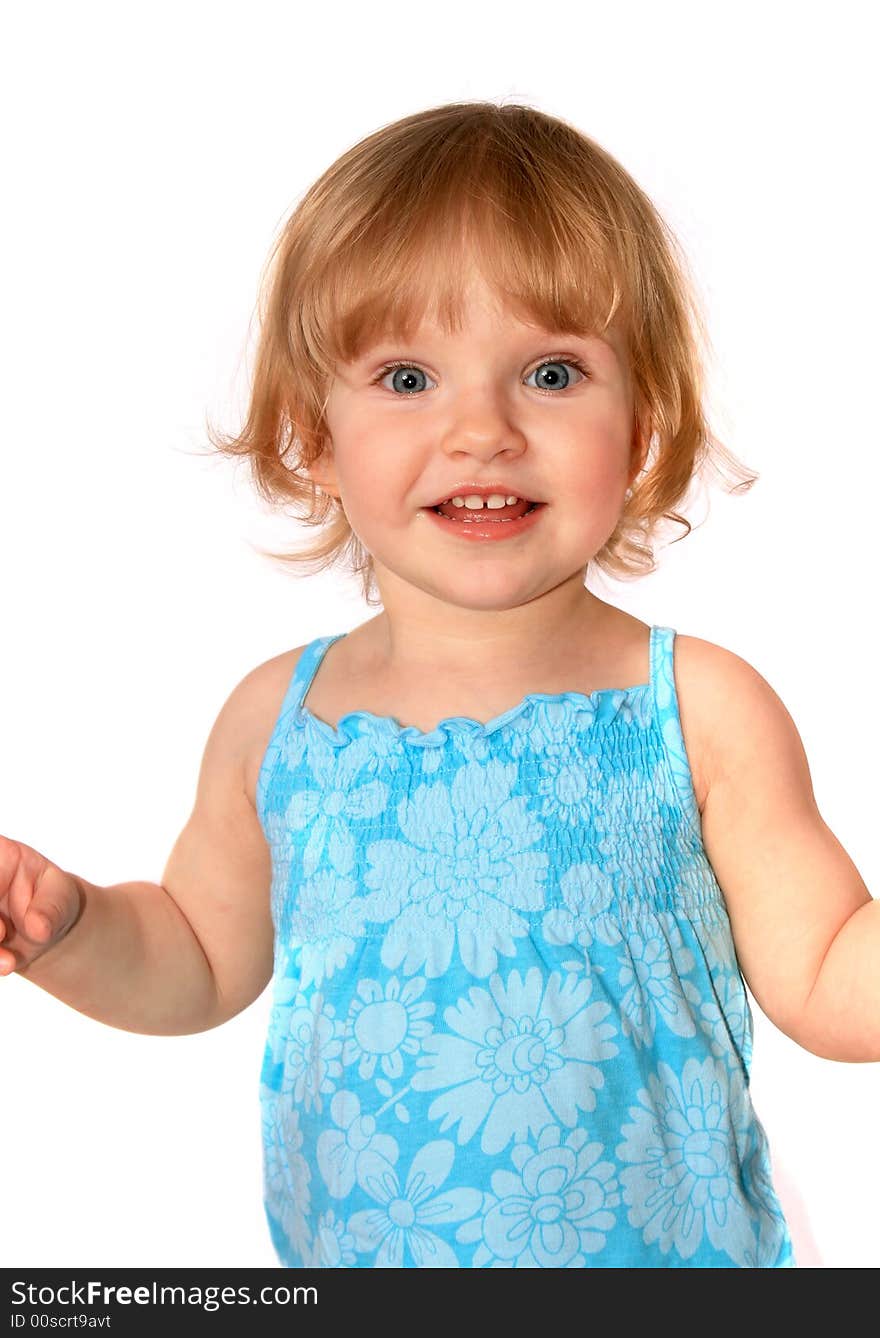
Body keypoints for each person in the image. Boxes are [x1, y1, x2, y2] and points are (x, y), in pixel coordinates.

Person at [1, 100, 876, 1270]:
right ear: (314, 434)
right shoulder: (280, 720)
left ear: (647, 424)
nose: (482, 431)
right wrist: (72, 929)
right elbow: (196, 962)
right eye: (407, 376)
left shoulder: (696, 710)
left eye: (552, 372)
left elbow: (826, 976)